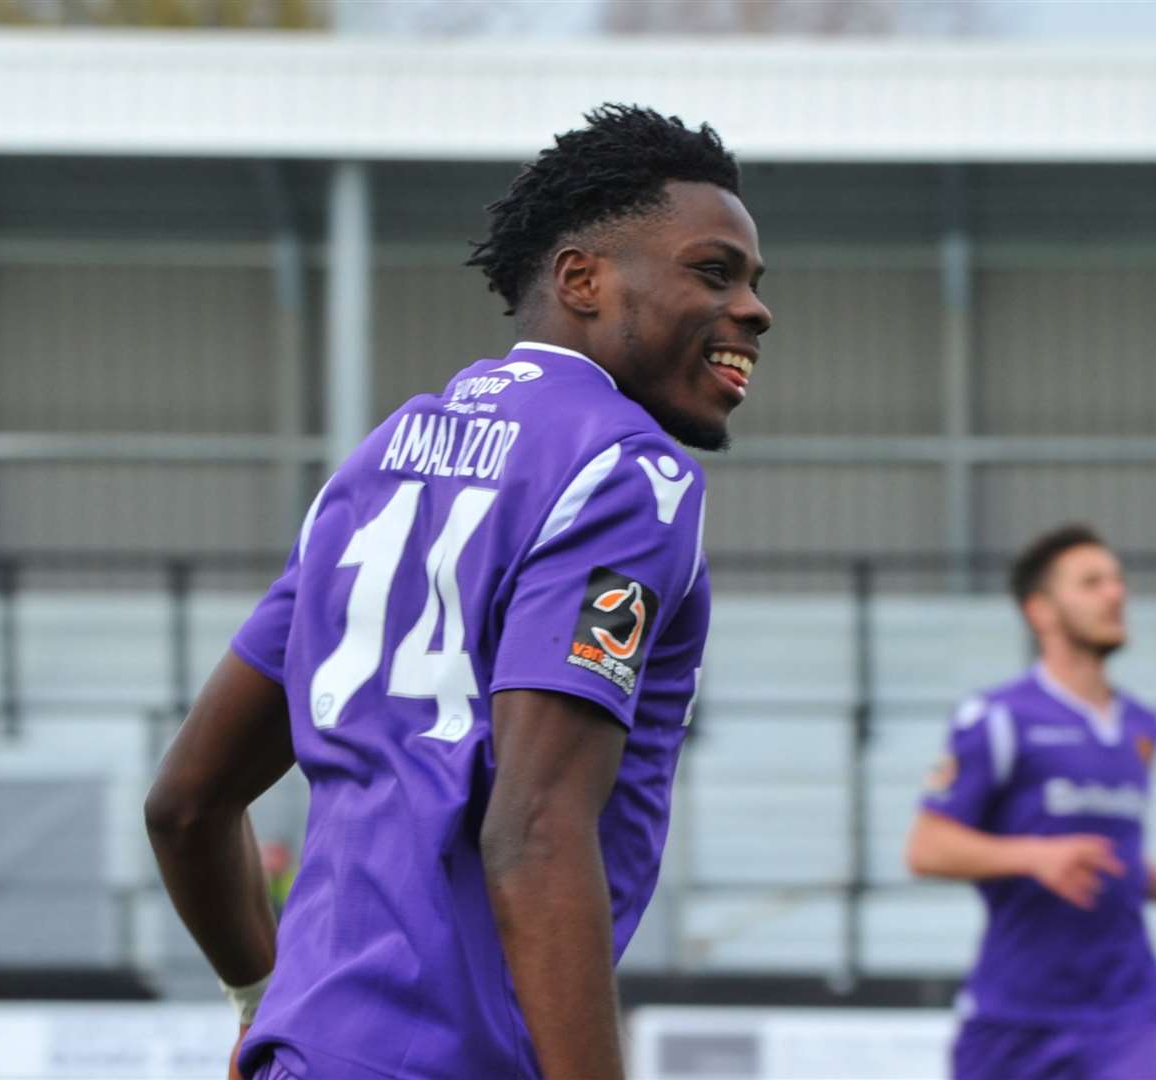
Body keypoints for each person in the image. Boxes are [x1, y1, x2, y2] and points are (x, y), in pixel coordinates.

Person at [145, 103, 771, 1080]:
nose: (753, 309)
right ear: (581, 279)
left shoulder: (377, 463)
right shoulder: (622, 472)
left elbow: (185, 805)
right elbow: (531, 830)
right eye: (711, 270)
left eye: (751, 281)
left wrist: (258, 999)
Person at [905, 524, 1156, 1080]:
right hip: (1015, 1016)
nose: (1115, 594)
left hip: (1124, 1009)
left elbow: (1113, 848)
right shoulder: (999, 719)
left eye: (1117, 581)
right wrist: (1036, 855)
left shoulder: (1142, 728)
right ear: (1041, 611)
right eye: (1091, 582)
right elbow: (927, 849)